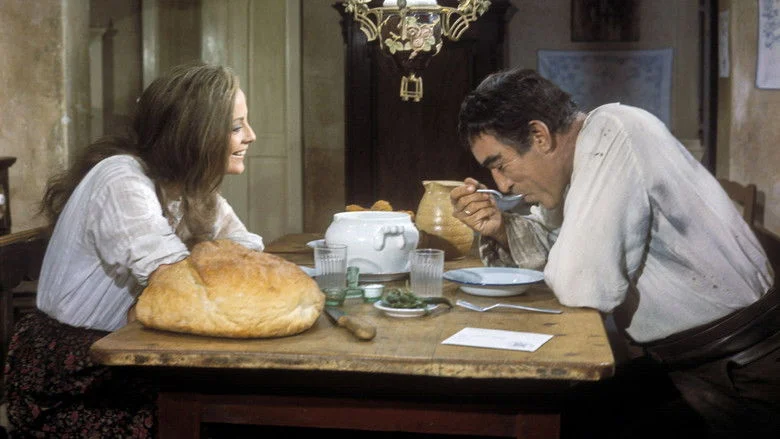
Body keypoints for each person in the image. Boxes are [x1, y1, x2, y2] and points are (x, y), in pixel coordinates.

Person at [451, 68, 778, 438]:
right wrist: (501, 229)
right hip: (685, 365)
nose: (503, 184)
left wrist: (556, 253)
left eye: (500, 165)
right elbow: (558, 246)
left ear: (539, 136)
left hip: (743, 379)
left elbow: (581, 282)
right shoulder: (583, 158)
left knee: (562, 422)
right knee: (558, 410)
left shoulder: (615, 133)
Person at [2, 63, 263, 438]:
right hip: (74, 376)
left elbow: (247, 254)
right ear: (194, 133)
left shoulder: (191, 189)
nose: (251, 136)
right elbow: (176, 282)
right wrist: (200, 278)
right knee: (233, 417)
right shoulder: (121, 177)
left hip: (136, 355)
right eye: (236, 127)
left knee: (253, 399)